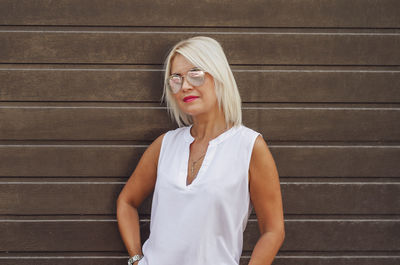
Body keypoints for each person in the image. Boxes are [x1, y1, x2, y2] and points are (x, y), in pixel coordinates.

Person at [116, 36, 285, 265]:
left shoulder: (249, 146)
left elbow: (273, 230)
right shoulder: (165, 144)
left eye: (195, 74)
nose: (184, 85)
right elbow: (127, 201)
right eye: (176, 78)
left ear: (218, 75)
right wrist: (136, 259)